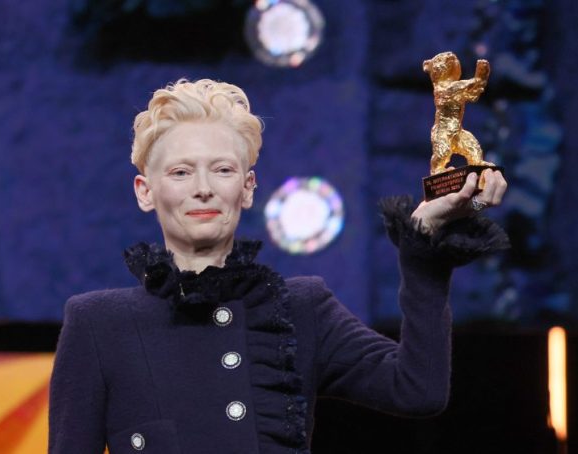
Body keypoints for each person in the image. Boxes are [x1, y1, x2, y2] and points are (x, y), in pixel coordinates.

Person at [48, 79, 509, 454]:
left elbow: (418, 390)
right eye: (181, 172)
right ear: (145, 191)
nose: (203, 188)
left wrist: (423, 247)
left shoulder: (301, 308)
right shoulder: (98, 324)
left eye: (223, 170)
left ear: (247, 188)